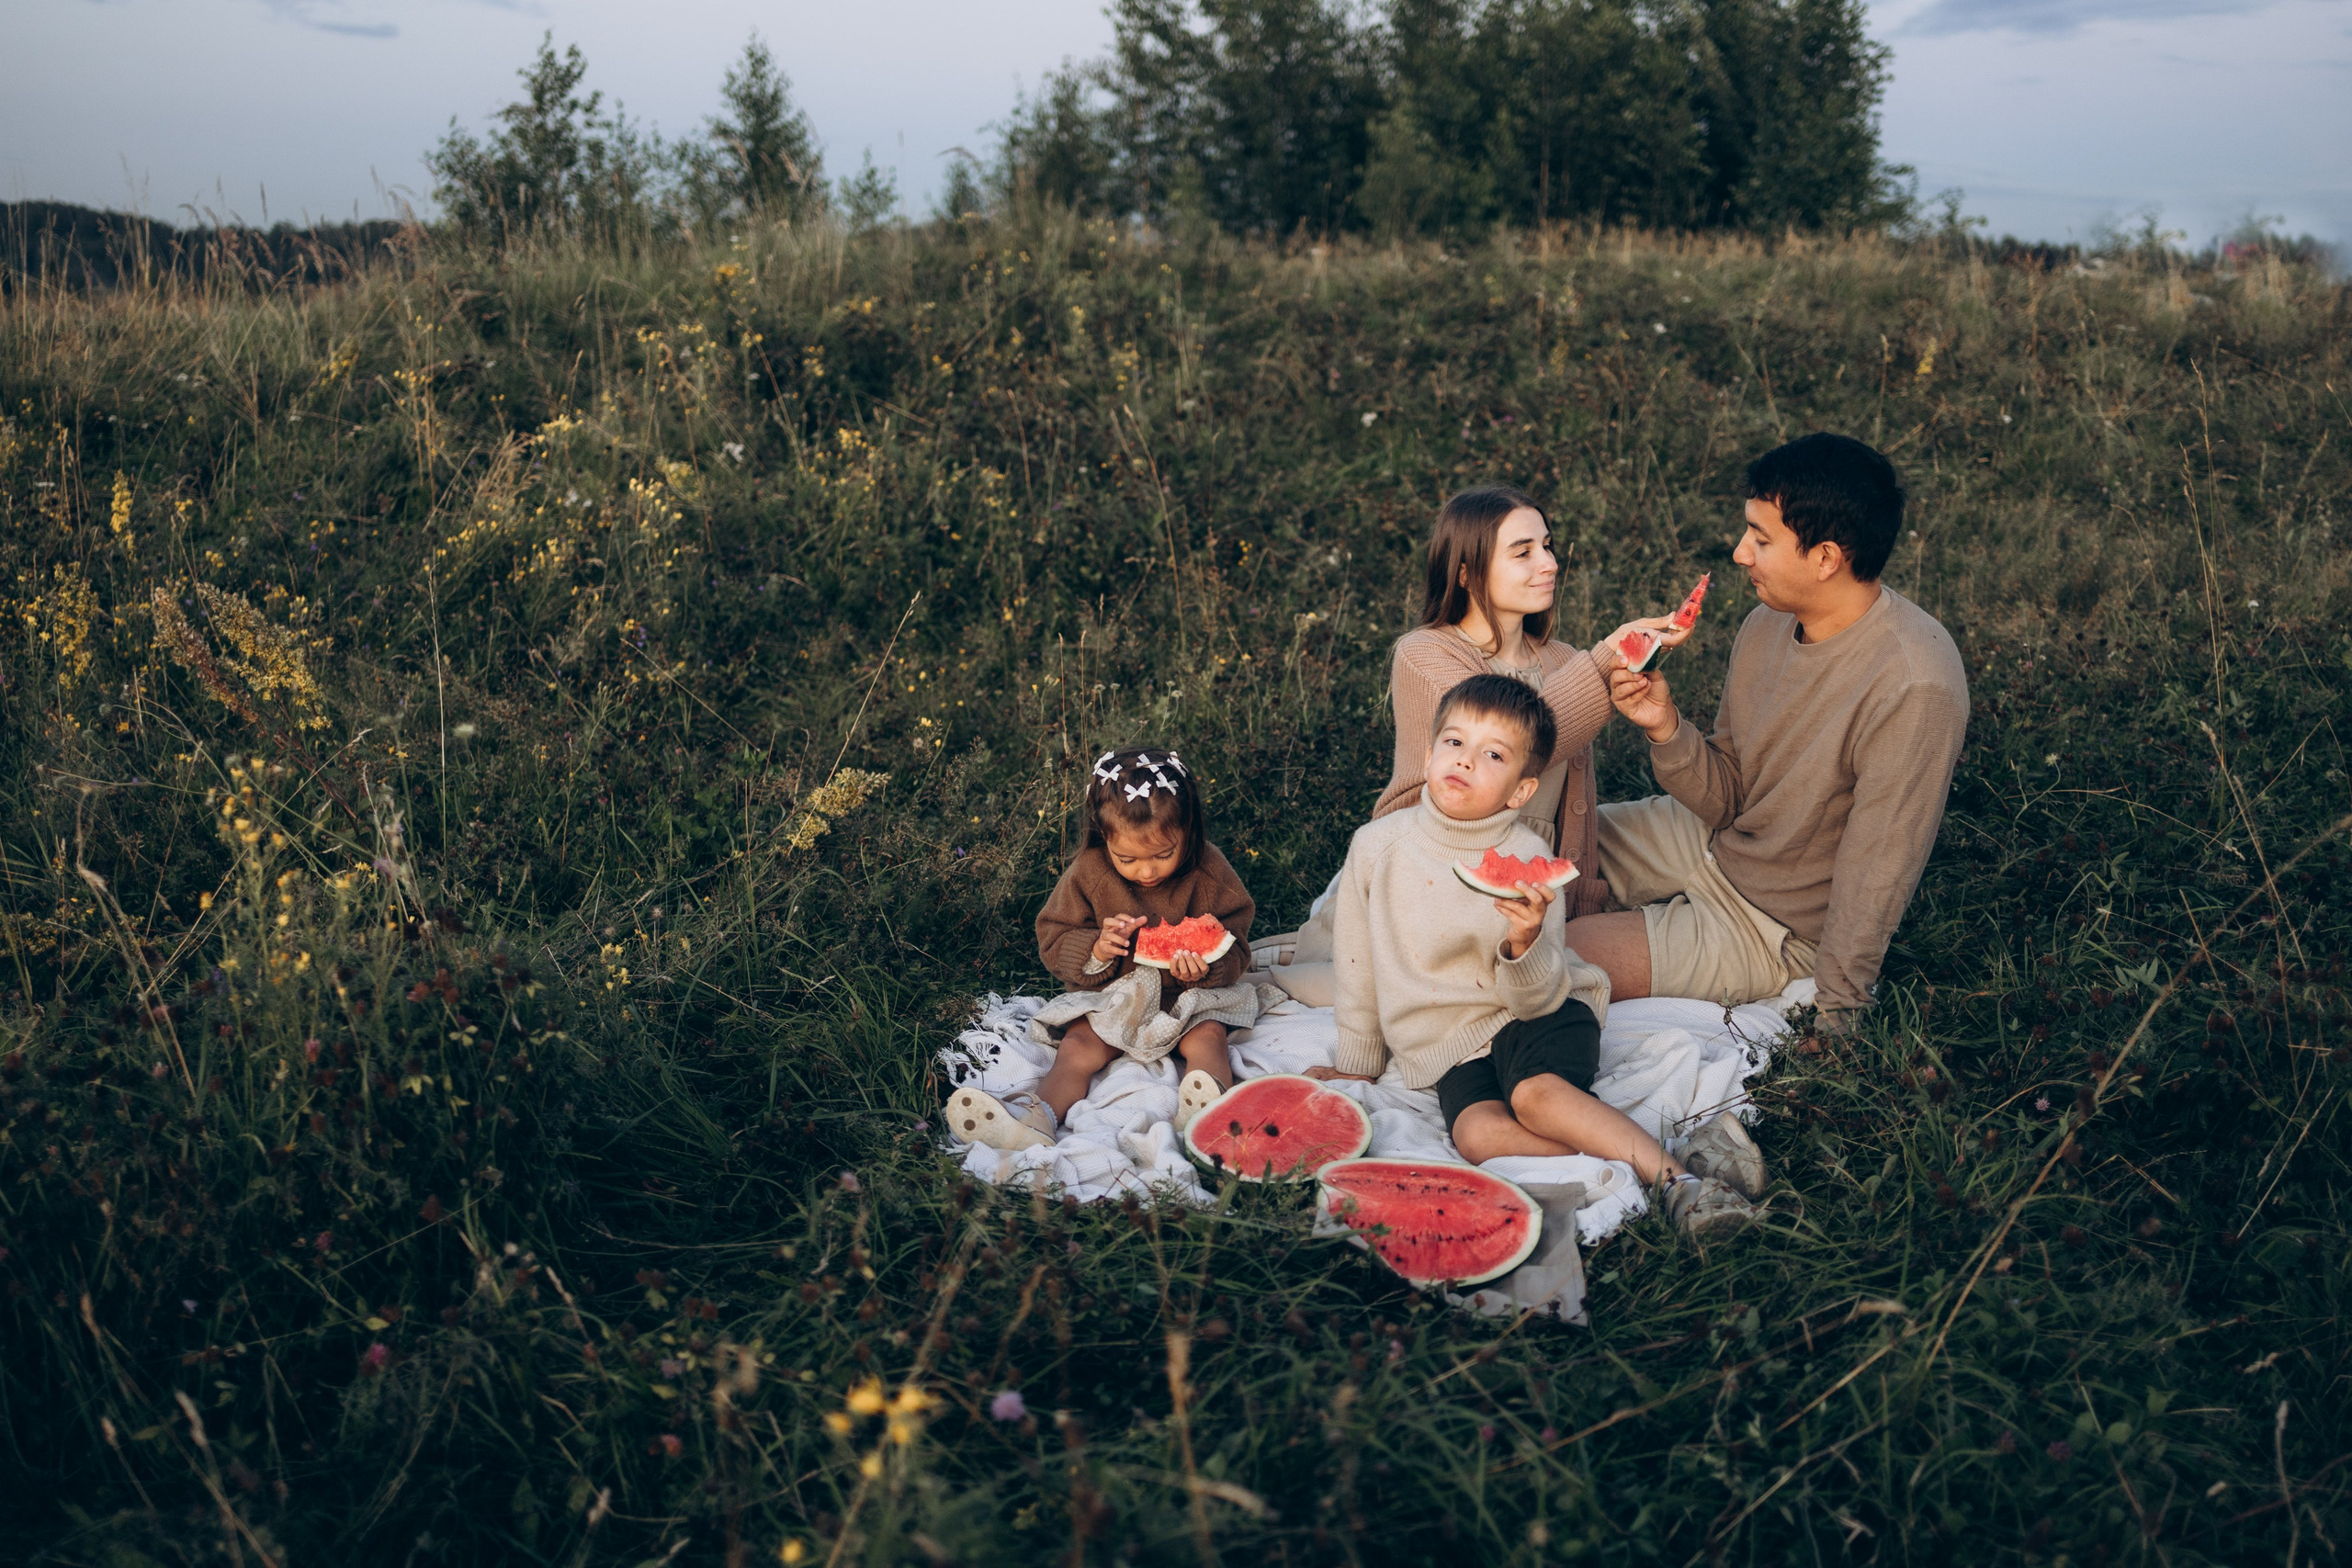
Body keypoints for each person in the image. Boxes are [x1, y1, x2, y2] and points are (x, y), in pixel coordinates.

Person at [1307, 674, 1764, 1237]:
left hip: (1537, 1012)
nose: (1466, 761)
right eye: (1454, 743)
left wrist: (1522, 945)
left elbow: (1539, 995)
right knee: (1477, 1138)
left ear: (1521, 791)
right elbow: (1357, 960)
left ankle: (1678, 1186)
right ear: (1428, 753)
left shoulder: (1527, 855)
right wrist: (1358, 1060)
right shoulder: (1377, 847)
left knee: (1536, 1098)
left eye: (1492, 754)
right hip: (1447, 1048)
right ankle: (1670, 1150)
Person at [1565, 433, 1970, 1032]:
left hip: (1772, 923)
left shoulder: (1915, 686)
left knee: (1555, 957)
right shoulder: (1765, 623)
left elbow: (1878, 871)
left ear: (1826, 557)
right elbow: (1727, 795)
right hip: (1711, 836)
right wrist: (1666, 727)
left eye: (1760, 538)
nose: (1738, 553)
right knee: (1542, 844)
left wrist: (1837, 1012)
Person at [1257, 484, 1688, 1004]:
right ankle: (1267, 974)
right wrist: (1599, 668)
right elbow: (1507, 747)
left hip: (1517, 875)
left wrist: (1581, 900)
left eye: (1547, 546)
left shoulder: (1561, 660)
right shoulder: (1425, 655)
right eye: (1523, 552)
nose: (1548, 563)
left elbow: (1574, 807)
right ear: (1466, 572)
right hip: (1427, 875)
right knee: (1370, 986)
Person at [944, 745, 1255, 1152]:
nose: (1146, 871)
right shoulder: (1088, 872)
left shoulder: (1210, 869)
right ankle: (1038, 1119)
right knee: (1076, 1047)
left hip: (1190, 997)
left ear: (1190, 831)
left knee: (1208, 1039)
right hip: (1115, 997)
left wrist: (1209, 970)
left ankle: (1207, 1115)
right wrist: (1096, 950)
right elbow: (1053, 936)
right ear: (1102, 836)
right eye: (1126, 858)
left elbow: (1235, 941)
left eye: (1163, 854)